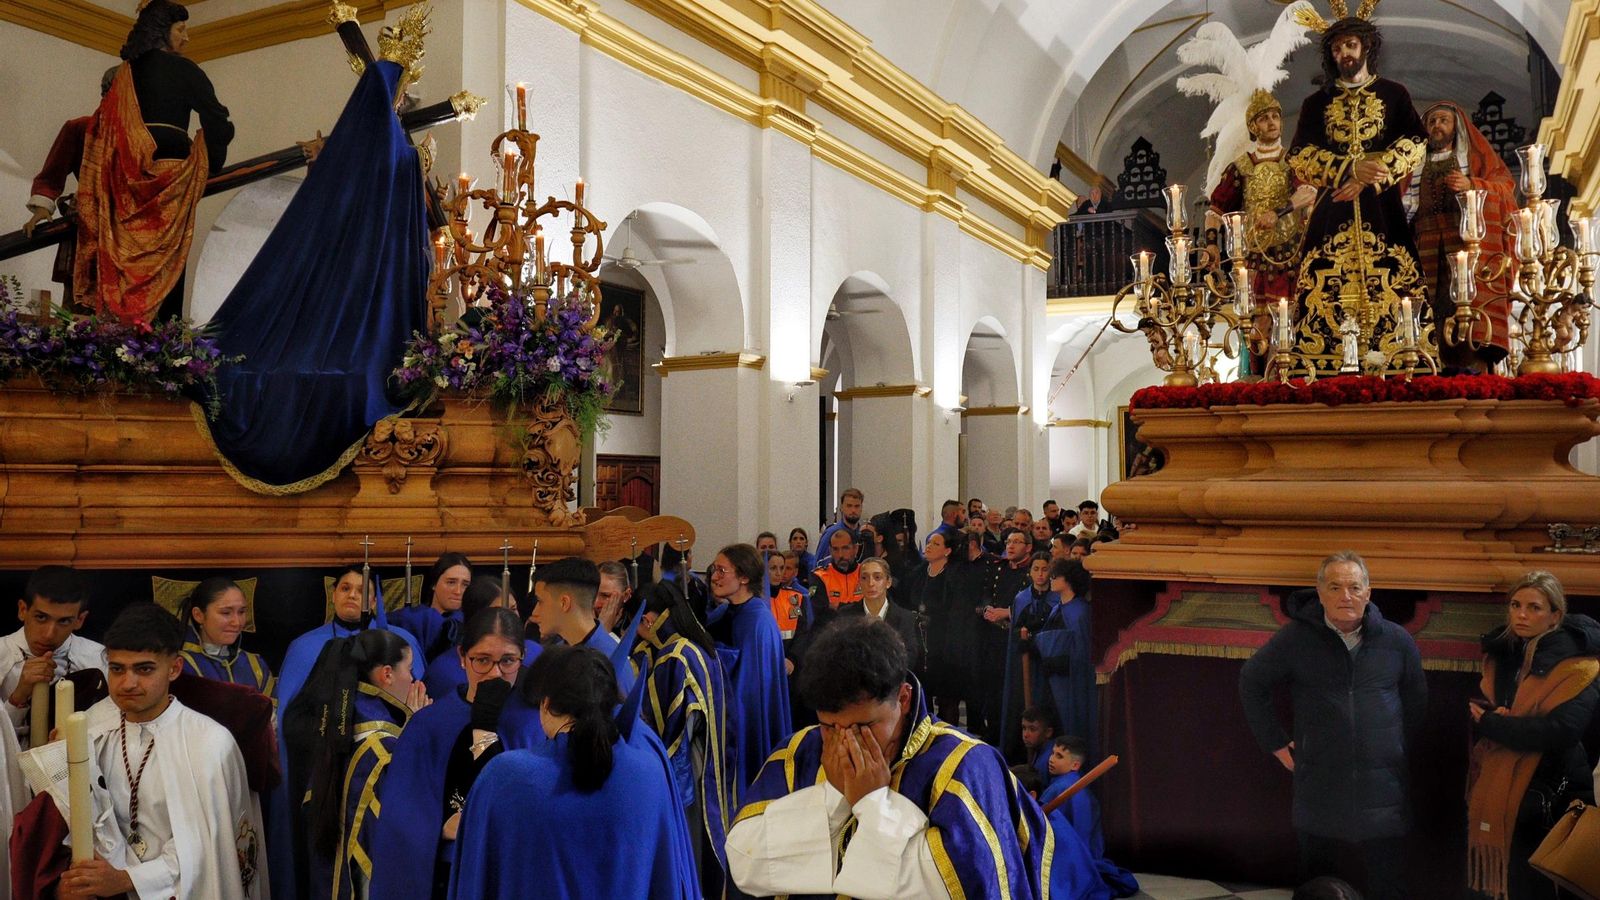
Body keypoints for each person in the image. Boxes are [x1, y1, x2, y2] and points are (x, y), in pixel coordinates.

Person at [727, 616, 1083, 898]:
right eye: (829, 726)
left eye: (862, 726)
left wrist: (871, 804)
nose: (845, 744)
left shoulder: (968, 764)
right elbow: (745, 862)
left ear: (904, 698)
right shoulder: (798, 752)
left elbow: (955, 885)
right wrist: (833, 799)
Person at [14, 603, 264, 900]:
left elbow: (206, 850)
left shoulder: (209, 743)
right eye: (117, 669)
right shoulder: (90, 725)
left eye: (144, 669)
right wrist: (57, 765)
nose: (128, 683)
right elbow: (63, 820)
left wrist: (127, 879)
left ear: (174, 669)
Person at [1239, 551, 1426, 899]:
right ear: (1320, 592)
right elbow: (1252, 682)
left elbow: (1416, 702)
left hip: (1383, 784)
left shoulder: (1396, 641)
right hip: (1320, 780)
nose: (1346, 596)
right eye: (1336, 587)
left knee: (1388, 881)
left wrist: (1394, 747)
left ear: (1369, 593)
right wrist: (1276, 743)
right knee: (1317, 882)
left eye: (1355, 587)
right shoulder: (1296, 638)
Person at [447, 645, 699, 899]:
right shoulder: (649, 774)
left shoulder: (505, 777)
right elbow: (669, 879)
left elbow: (475, 880)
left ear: (546, 704)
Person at [75, 0, 235, 323]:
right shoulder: (187, 70)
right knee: (169, 264)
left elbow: (105, 129)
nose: (187, 37)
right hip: (172, 179)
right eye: (181, 29)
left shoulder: (124, 75)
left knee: (122, 265)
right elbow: (217, 121)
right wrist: (211, 160)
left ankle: (119, 340)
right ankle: (163, 351)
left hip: (123, 184)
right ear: (163, 30)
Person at [1287, 9, 1428, 374]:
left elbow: (1416, 140)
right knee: (1319, 278)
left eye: (1349, 45)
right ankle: (1317, 360)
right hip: (1331, 208)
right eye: (1336, 50)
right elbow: (1299, 156)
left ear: (1365, 46)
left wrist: (1371, 175)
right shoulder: (1315, 105)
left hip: (1382, 207)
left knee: (1398, 277)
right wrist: (1347, 169)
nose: (1343, 55)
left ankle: (1405, 356)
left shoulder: (1394, 94)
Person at [371, 608, 526, 900]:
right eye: (482, 660)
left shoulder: (532, 721)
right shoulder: (430, 724)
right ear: (462, 657)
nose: (495, 673)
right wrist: (439, 826)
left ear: (522, 657)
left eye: (507, 660)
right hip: (447, 872)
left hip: (510, 870)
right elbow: (402, 815)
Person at [1465, 571, 1600, 900]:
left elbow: (1562, 731)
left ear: (1555, 615)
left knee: (1535, 885)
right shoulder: (1503, 656)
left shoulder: (1579, 666)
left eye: (1535, 607)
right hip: (1502, 782)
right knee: (1502, 884)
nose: (1522, 614)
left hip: (1551, 791)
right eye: (1515, 605)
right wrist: (1490, 720)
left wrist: (1495, 725)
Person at [290, 628, 426, 900]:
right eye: (409, 670)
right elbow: (404, 833)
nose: (412, 680)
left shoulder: (336, 731)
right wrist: (417, 733)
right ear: (387, 675)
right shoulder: (384, 750)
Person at [633, 580, 734, 899]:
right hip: (712, 759)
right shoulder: (699, 646)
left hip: (689, 765)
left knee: (689, 846)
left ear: (649, 619)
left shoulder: (673, 656)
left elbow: (668, 728)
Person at [1206, 89, 1314, 375]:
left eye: (1276, 116)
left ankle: (1285, 379)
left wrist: (1277, 213)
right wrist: (1211, 244)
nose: (1272, 122)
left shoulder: (1293, 161)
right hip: (1253, 259)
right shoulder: (1241, 166)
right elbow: (1215, 209)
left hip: (1289, 256)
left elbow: (1307, 193)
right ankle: (1257, 379)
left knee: (1289, 321)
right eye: (1264, 118)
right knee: (1256, 324)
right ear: (1253, 126)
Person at [1406, 100, 1517, 371]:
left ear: (1456, 126)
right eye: (1432, 122)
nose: (1437, 126)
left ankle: (1473, 364)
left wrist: (1473, 185)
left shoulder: (1475, 158)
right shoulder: (1414, 164)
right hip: (1426, 247)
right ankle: (1431, 365)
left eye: (1443, 120)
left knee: (1465, 309)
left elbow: (1505, 187)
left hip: (1464, 244)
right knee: (1431, 311)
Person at [706, 543, 791, 788]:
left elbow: (750, 694)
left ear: (743, 577)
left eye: (722, 571)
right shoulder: (726, 613)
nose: (714, 577)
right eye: (714, 569)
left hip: (742, 723)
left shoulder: (757, 621)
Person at [2, 565, 106, 749]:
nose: (49, 634)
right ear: (22, 610)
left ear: (79, 620)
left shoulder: (101, 659)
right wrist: (18, 697)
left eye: (64, 621)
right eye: (41, 618)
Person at [1043, 735, 1138, 897]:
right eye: (1052, 753)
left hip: (1073, 854)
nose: (1051, 759)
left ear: (1075, 765)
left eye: (1059, 756)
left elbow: (1082, 834)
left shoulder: (1068, 789)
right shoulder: (1063, 784)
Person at [422, 574, 535, 699]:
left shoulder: (534, 652)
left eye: (513, 609)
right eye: (497, 612)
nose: (508, 619)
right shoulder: (445, 674)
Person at [901, 530, 970, 725]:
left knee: (948, 698)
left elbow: (957, 612)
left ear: (948, 550)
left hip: (946, 644)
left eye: (936, 544)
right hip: (921, 643)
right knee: (923, 694)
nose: (929, 546)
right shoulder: (918, 573)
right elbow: (907, 602)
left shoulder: (955, 576)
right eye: (929, 542)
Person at [971, 529, 1033, 743]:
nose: (1011, 545)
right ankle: (993, 729)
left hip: (1013, 637)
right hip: (992, 636)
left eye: (1017, 541)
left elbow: (1033, 603)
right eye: (1008, 541)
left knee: (1011, 690)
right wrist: (988, 608)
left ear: (1028, 547)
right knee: (991, 686)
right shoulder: (999, 568)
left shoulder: (1030, 573)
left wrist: (1007, 612)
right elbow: (986, 592)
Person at [1034, 558, 1098, 751]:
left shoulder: (1080, 612)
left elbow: (1084, 652)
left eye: (1056, 575)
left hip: (1070, 682)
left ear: (1069, 579)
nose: (1050, 579)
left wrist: (1062, 663)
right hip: (1052, 682)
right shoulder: (1057, 608)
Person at [178, 576, 273, 695]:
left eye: (241, 612)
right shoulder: (179, 666)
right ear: (199, 615)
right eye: (226, 613)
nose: (237, 622)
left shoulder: (255, 665)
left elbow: (271, 710)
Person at [839, 558, 923, 675]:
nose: (870, 583)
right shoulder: (845, 616)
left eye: (877, 577)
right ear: (859, 583)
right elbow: (840, 657)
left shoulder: (906, 618)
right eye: (864, 578)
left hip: (891, 684)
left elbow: (909, 659)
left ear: (888, 582)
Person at [390, 552, 473, 664]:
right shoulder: (407, 619)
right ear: (434, 583)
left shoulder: (472, 624)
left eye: (465, 585)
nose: (458, 591)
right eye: (451, 582)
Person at [810, 527, 864, 613]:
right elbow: (820, 613)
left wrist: (838, 606)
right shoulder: (819, 576)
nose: (840, 555)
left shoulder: (866, 573)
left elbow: (873, 607)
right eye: (835, 549)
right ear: (830, 551)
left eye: (845, 548)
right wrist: (859, 607)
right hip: (831, 626)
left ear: (855, 549)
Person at [817, 488, 866, 567]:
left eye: (857, 506)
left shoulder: (863, 535)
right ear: (841, 508)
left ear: (861, 508)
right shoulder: (831, 533)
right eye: (849, 506)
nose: (853, 510)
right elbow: (818, 564)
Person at [1020, 706, 1059, 782]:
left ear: (1048, 732)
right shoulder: (1040, 749)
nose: (1025, 735)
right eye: (1024, 728)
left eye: (1032, 729)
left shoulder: (1048, 759)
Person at [594, 560, 632, 635]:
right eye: (593, 593)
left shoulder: (635, 626)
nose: (595, 603)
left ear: (626, 595)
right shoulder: (584, 617)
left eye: (605, 595)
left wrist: (603, 632)